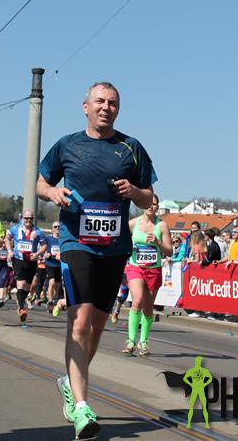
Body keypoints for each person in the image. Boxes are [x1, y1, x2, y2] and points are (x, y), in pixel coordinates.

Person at [36, 81, 156, 440]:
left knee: (98, 326)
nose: (106, 107)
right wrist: (53, 192)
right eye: (100, 101)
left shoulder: (132, 148)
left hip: (114, 248)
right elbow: (40, 184)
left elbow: (149, 198)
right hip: (76, 242)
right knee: (80, 321)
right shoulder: (67, 145)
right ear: (85, 106)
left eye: (113, 103)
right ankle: (82, 406)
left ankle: (70, 381)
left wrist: (134, 191)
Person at [122, 194, 172, 356]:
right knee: (137, 300)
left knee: (148, 308)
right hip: (135, 267)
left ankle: (143, 341)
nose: (151, 206)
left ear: (158, 207)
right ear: (142, 205)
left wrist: (158, 243)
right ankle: (130, 341)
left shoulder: (162, 226)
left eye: (155, 204)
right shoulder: (133, 223)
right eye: (149, 203)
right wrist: (128, 247)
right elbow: (120, 240)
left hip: (153, 269)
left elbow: (169, 251)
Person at [6, 210, 47, 321]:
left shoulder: (38, 232)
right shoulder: (15, 229)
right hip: (18, 260)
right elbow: (7, 238)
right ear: (22, 218)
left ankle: (20, 301)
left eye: (30, 218)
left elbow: (44, 245)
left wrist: (37, 254)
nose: (28, 220)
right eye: (26, 218)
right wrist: (9, 251)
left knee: (27, 287)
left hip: (31, 261)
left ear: (33, 219)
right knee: (21, 284)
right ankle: (21, 309)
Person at [43, 221, 63, 313]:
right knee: (52, 282)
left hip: (59, 264)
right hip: (50, 263)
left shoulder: (63, 239)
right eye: (55, 227)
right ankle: (50, 301)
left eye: (59, 226)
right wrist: (45, 254)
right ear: (52, 228)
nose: (57, 228)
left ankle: (53, 299)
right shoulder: (48, 238)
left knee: (57, 285)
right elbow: (42, 247)